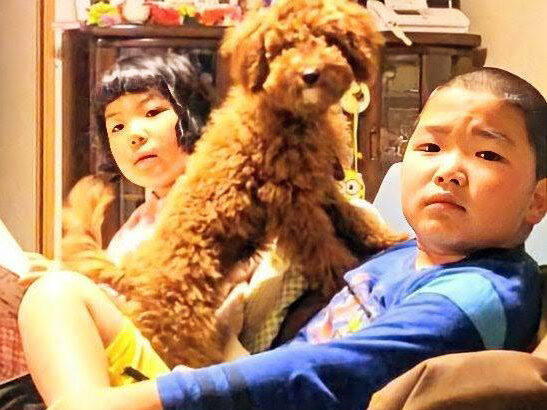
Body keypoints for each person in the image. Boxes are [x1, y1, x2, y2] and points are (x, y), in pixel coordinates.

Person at [39, 66, 547, 410]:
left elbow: (332, 370)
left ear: (537, 200)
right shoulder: (400, 256)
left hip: (273, 394)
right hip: (246, 381)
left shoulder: (476, 294)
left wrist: (151, 398)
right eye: (430, 147)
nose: (447, 170)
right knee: (55, 296)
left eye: (487, 154)